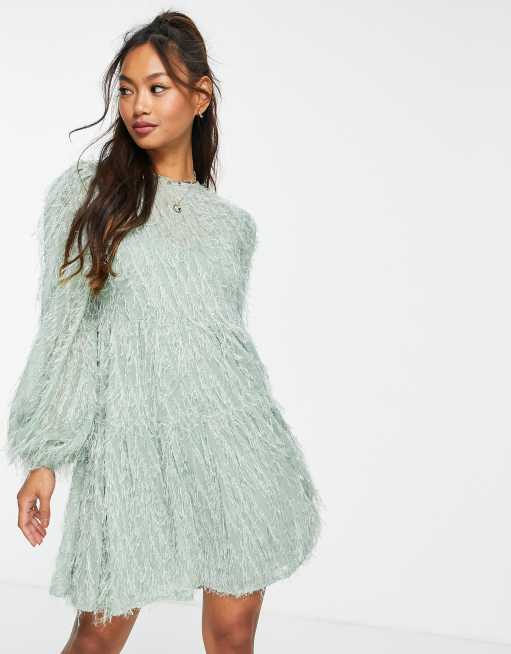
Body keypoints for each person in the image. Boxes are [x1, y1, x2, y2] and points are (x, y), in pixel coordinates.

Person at [5, 10, 324, 653]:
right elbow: (66, 333)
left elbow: (221, 347)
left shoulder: (231, 228)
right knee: (96, 639)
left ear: (200, 97)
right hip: (128, 453)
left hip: (235, 448)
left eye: (157, 87)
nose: (137, 106)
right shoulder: (89, 196)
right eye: (126, 89)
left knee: (231, 636)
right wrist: (44, 458)